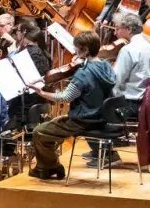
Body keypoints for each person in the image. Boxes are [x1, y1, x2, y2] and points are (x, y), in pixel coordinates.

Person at [31, 30, 117, 180]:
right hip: (101, 117)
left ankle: (49, 167)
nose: (74, 51)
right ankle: (46, 167)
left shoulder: (83, 74)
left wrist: (42, 93)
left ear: (84, 49)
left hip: (83, 121)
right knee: (52, 125)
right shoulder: (106, 67)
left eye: (76, 47)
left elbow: (65, 97)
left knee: (39, 131)